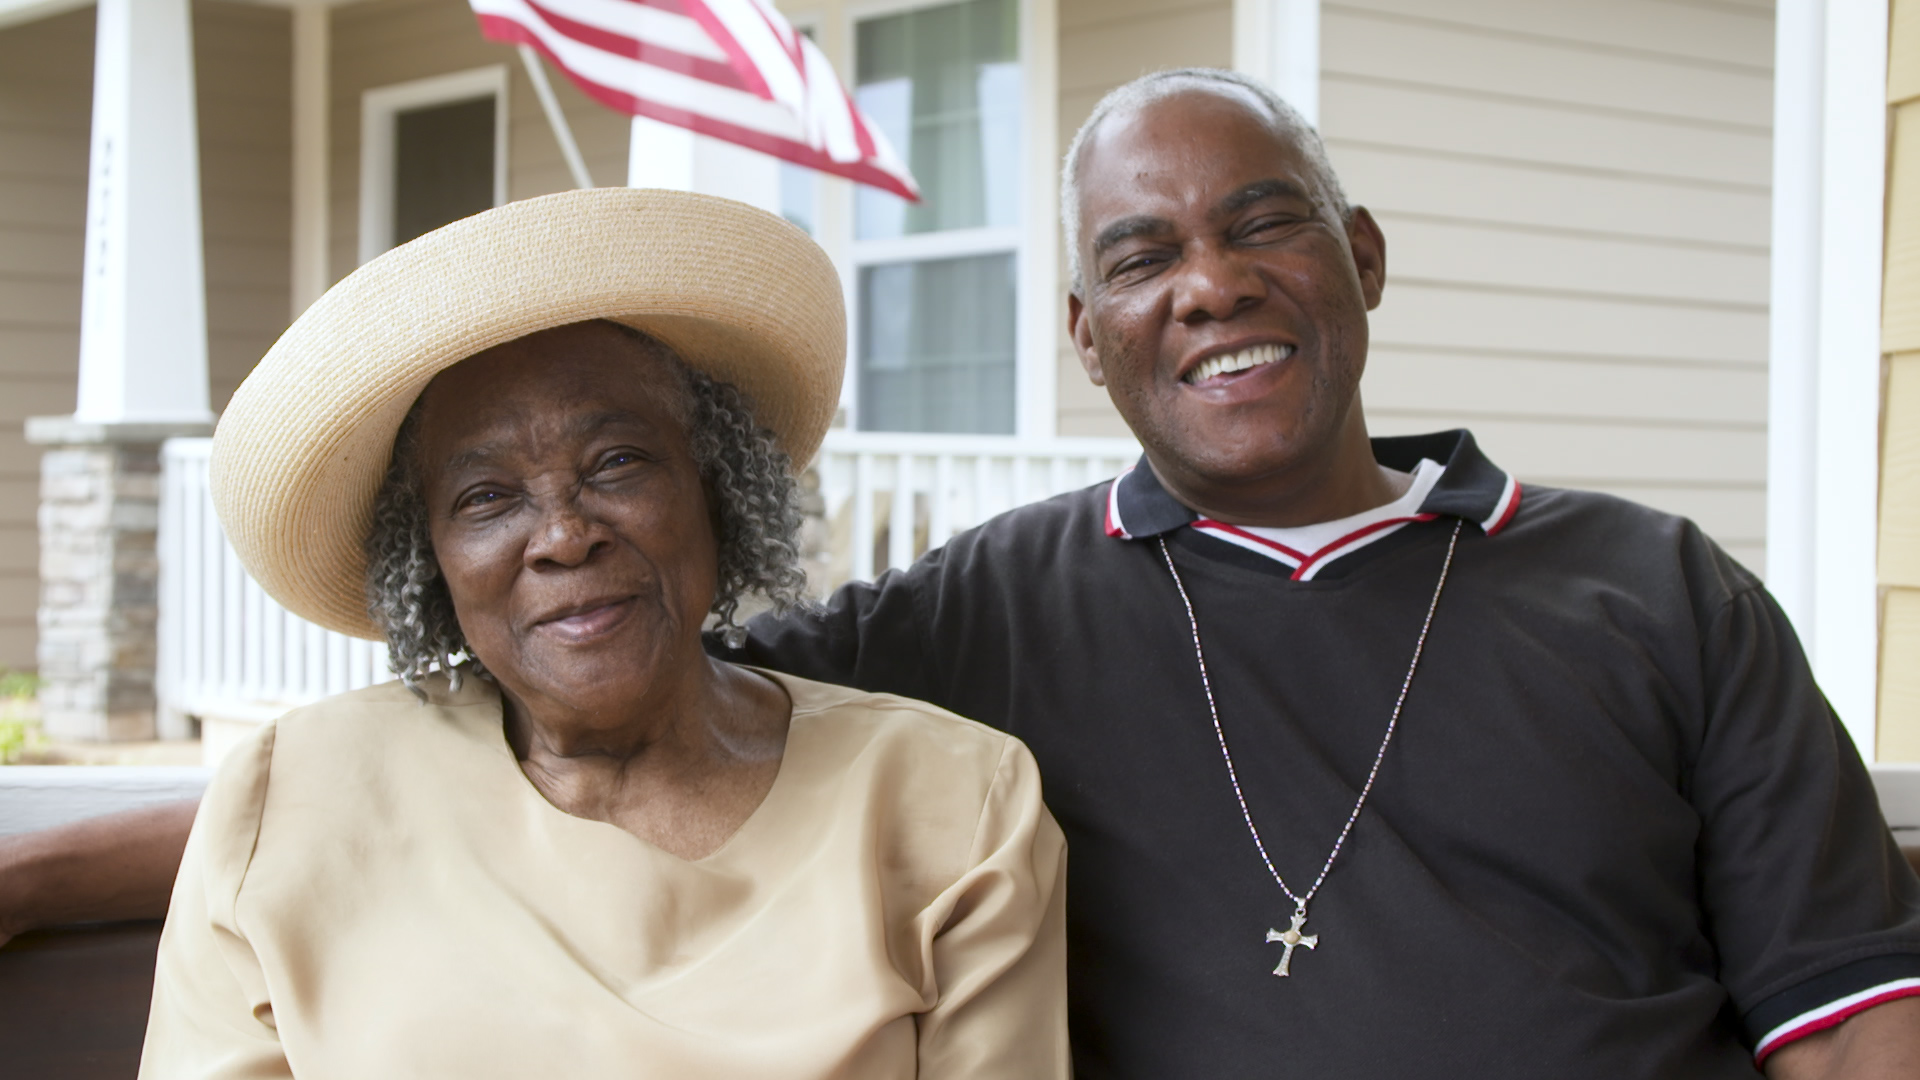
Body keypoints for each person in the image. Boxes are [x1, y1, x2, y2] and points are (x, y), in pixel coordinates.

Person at [3, 67, 1917, 1079]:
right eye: (1145, 256)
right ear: (1090, 337)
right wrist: (36, 868)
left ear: (1362, 259)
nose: (1213, 284)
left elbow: (1855, 1030)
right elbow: (594, 698)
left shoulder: (1657, 593)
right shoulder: (993, 613)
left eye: (1264, 229)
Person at [132, 189, 1068, 1078]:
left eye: (617, 462)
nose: (564, 534)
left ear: (716, 491)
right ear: (430, 557)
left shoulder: (955, 805)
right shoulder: (287, 798)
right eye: (487, 497)